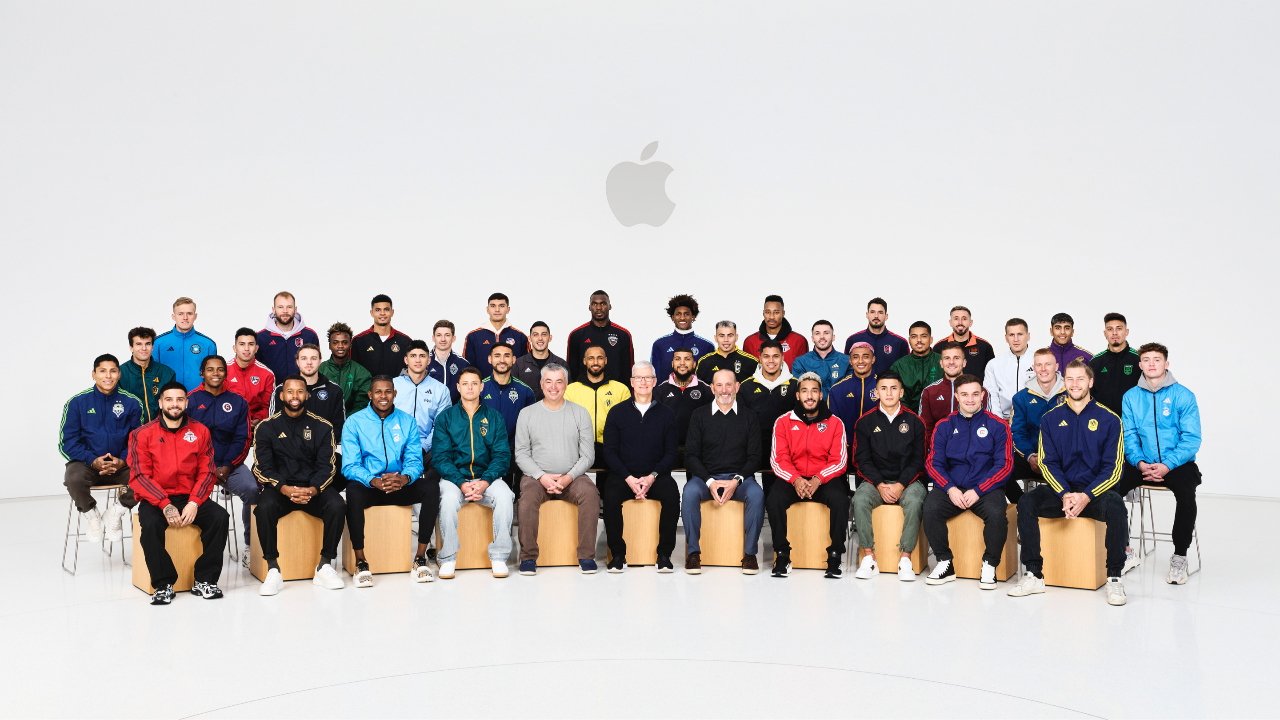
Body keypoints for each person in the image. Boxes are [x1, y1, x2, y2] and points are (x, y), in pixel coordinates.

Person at [1009, 360, 1129, 605]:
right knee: (1028, 501)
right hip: (1061, 493)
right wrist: (1064, 493)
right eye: (1070, 379)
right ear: (1065, 383)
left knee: (1116, 506)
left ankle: (1114, 577)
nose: (1075, 384)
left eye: (1080, 379)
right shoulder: (1050, 419)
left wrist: (1085, 496)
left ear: (1090, 382)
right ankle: (1034, 574)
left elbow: (1114, 469)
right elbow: (1047, 462)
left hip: (1093, 495)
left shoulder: (1109, 419)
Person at [127, 382, 229, 604]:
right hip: (156, 498)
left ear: (186, 402)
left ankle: (205, 579)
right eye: (170, 399)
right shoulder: (141, 434)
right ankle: (163, 584)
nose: (175, 404)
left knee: (220, 518)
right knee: (151, 525)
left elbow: (207, 472)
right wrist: (164, 503)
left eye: (180, 399)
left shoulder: (200, 431)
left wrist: (194, 502)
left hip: (190, 496)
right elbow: (139, 476)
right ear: (161, 402)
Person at [1116, 343, 1202, 585]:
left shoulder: (1183, 395)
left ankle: (1179, 557)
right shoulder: (1131, 397)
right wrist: (1140, 463)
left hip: (1177, 463)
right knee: (1111, 491)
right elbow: (1129, 434)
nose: (1151, 363)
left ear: (1167, 363)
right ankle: (1124, 550)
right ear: (1140, 364)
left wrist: (1167, 465)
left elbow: (1191, 439)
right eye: (1146, 359)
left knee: (1186, 494)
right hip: (1141, 461)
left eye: (1157, 359)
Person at [252, 376, 346, 596]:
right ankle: (273, 569)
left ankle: (324, 565)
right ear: (282, 395)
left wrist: (313, 490)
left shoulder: (323, 427)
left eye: (300, 391)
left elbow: (328, 467)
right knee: (263, 509)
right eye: (290, 392)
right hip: (280, 490)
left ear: (308, 395)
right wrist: (284, 488)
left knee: (337, 505)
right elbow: (261, 467)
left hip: (312, 489)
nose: (295, 396)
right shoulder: (266, 427)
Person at [341, 376, 437, 587]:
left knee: (430, 488)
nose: (383, 396)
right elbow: (349, 465)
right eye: (378, 392)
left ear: (395, 394)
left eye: (387, 392)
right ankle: (361, 561)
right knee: (352, 491)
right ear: (370, 394)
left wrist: (405, 478)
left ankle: (420, 558)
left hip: (398, 484)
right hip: (371, 486)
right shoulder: (354, 422)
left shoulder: (407, 421)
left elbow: (414, 459)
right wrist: (372, 480)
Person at [922, 374, 1013, 589]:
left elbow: (1005, 465)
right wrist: (950, 488)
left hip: (985, 488)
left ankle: (990, 564)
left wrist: (979, 490)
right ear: (957, 396)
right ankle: (944, 562)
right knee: (930, 508)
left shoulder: (998, 425)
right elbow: (933, 463)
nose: (970, 399)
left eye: (975, 394)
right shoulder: (944, 425)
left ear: (982, 395)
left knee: (996, 514)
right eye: (964, 394)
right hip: (952, 487)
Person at [514, 364, 601, 575]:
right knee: (526, 500)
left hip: (573, 476)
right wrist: (542, 477)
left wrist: (567, 478)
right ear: (541, 384)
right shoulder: (527, 414)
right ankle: (528, 557)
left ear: (566, 384)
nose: (554, 387)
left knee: (591, 494)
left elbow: (588, 455)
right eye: (549, 381)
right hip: (537, 477)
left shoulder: (580, 413)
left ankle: (586, 555)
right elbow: (521, 453)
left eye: (559, 381)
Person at [432, 367, 516, 579]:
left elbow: (502, 455)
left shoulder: (494, 417)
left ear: (481, 386)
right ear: (458, 387)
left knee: (505, 496)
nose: (470, 387)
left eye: (474, 383)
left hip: (487, 477)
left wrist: (485, 481)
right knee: (449, 500)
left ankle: (499, 556)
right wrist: (461, 482)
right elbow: (441, 457)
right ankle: (448, 558)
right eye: (465, 383)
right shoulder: (446, 418)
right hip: (455, 478)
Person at [765, 372, 850, 578]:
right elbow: (778, 459)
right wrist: (796, 480)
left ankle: (835, 555)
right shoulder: (783, 422)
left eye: (814, 391)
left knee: (840, 499)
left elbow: (839, 460)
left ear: (821, 395)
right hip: (793, 478)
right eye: (804, 391)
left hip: (824, 479)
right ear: (797, 395)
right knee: (774, 499)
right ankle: (782, 554)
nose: (809, 396)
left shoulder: (835, 422)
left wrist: (818, 479)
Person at [681, 369, 765, 575]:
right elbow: (691, 455)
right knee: (689, 493)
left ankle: (750, 554)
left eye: (729, 385)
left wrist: (736, 480)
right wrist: (710, 481)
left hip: (740, 479)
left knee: (757, 494)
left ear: (737, 387)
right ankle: (693, 553)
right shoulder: (699, 415)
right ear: (712, 388)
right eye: (719, 385)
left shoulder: (750, 416)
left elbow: (755, 456)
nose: (724, 390)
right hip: (706, 479)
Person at [600, 361, 680, 573]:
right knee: (610, 496)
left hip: (656, 475)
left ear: (654, 381)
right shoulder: (617, 412)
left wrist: (652, 476)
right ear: (631, 382)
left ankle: (664, 554)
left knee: (672, 495)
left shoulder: (667, 414)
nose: (643, 382)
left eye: (647, 378)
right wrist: (628, 478)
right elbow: (609, 451)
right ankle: (618, 554)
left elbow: (671, 453)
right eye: (638, 378)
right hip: (624, 475)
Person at [850, 372, 928, 581]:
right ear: (876, 393)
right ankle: (869, 557)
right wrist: (880, 485)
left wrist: (901, 484)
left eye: (894, 388)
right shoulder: (864, 422)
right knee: (859, 499)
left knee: (914, 501)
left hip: (908, 482)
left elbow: (919, 460)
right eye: (883, 388)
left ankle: (905, 558)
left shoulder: (915, 421)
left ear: (901, 392)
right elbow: (861, 460)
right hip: (876, 482)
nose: (889, 393)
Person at [59, 354, 142, 543]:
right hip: (87, 463)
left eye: (113, 371)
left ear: (119, 374)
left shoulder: (132, 403)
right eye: (102, 371)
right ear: (93, 374)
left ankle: (116, 511)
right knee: (73, 478)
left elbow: (138, 441)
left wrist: (122, 460)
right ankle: (92, 515)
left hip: (121, 464)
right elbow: (67, 442)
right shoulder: (77, 403)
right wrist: (92, 460)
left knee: (148, 477)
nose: (108, 376)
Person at [187, 356, 253, 548]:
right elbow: (185, 439)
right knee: (182, 492)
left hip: (229, 465)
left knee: (251, 489)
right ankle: (194, 547)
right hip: (196, 467)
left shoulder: (238, 402)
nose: (215, 373)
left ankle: (251, 547)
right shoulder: (190, 400)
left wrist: (228, 465)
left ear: (226, 373)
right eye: (210, 369)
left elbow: (243, 438)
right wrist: (207, 467)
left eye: (220, 369)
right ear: (202, 373)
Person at [564, 346, 631, 490]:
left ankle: (608, 506)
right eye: (591, 358)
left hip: (610, 447)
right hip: (579, 448)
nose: (595, 362)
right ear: (584, 361)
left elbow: (627, 424)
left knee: (614, 483)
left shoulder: (621, 389)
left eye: (600, 358)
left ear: (606, 361)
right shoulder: (571, 390)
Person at [737, 340, 797, 498]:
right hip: (755, 448)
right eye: (766, 356)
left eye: (776, 356)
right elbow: (740, 423)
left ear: (783, 357)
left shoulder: (795, 385)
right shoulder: (746, 387)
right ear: (760, 358)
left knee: (777, 494)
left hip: (787, 449)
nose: (771, 361)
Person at [392, 341, 451, 488]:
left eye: (422, 356)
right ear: (406, 360)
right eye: (413, 356)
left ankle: (427, 493)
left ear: (429, 360)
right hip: (394, 445)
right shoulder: (392, 385)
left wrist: (423, 447)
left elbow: (441, 426)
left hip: (426, 448)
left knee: (443, 460)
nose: (418, 360)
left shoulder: (441, 390)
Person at [481, 343, 536, 491]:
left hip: (515, 452)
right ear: (489, 359)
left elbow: (532, 427)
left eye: (506, 356)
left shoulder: (525, 391)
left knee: (516, 494)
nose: (502, 360)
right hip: (484, 452)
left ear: (513, 359)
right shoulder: (479, 388)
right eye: (497, 356)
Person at [1009, 349, 1065, 491]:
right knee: (999, 471)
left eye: (1048, 364)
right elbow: (1017, 432)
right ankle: (1023, 505)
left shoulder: (1071, 393)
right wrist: (1030, 456)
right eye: (1039, 365)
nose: (1043, 369)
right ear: (1034, 368)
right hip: (1033, 458)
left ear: (1057, 367)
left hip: (1064, 460)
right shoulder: (1021, 398)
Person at [271, 344, 347, 447]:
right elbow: (274, 425)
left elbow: (339, 428)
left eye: (314, 358)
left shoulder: (334, 390)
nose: (309, 362)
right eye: (304, 358)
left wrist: (320, 446)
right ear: (297, 362)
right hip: (289, 451)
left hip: (322, 450)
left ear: (320, 361)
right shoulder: (282, 389)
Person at [654, 348, 713, 467]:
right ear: (672, 363)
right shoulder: (659, 391)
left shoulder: (706, 390)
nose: (682, 363)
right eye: (677, 359)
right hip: (668, 450)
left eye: (687, 359)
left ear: (694, 364)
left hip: (698, 451)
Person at [918, 342, 988, 438]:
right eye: (947, 358)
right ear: (941, 363)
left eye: (956, 358)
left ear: (964, 363)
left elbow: (988, 424)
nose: (951, 362)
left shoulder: (980, 391)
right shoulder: (929, 392)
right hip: (940, 449)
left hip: (973, 449)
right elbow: (925, 429)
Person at [566, 290, 635, 383]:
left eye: (603, 304)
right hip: (584, 393)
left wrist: (628, 395)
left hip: (616, 394)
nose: (598, 307)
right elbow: (570, 371)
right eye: (594, 304)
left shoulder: (623, 335)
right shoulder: (576, 335)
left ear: (610, 306)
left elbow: (629, 369)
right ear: (589, 307)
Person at [255, 291, 320, 381]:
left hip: (302, 392)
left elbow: (315, 366)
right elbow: (255, 369)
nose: (285, 311)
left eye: (289, 307)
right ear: (273, 310)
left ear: (295, 309)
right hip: (271, 392)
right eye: (280, 307)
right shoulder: (261, 338)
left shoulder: (309, 335)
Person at [154, 297, 216, 391]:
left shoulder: (208, 344)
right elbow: (152, 374)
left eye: (189, 313)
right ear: (173, 316)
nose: (185, 318)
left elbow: (213, 377)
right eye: (180, 314)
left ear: (195, 316)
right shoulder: (158, 343)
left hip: (199, 400)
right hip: (169, 400)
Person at [650, 294, 715, 381]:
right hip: (665, 394)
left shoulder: (707, 346)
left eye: (686, 314)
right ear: (673, 317)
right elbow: (653, 376)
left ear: (693, 317)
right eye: (678, 314)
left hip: (697, 394)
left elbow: (711, 378)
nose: (682, 317)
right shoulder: (660, 344)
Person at [828, 342, 878, 454]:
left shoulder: (884, 386)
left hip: (878, 451)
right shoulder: (837, 390)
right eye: (855, 357)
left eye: (866, 356)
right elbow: (832, 424)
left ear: (873, 359)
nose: (860, 361)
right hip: (846, 451)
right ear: (850, 361)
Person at [464, 292, 528, 378]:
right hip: (482, 389)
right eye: (493, 306)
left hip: (512, 389)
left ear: (508, 309)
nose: (497, 310)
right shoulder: (473, 336)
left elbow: (525, 368)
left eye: (501, 306)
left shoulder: (520, 337)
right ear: (487, 309)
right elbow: (467, 368)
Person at [119, 326, 176, 424]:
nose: (144, 348)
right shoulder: (120, 373)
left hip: (160, 431)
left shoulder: (167, 373)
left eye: (148, 344)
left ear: (153, 347)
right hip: (130, 432)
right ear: (131, 347)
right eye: (139, 344)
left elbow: (171, 405)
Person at [983, 318, 1035, 421]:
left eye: (1020, 334)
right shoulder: (994, 364)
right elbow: (991, 395)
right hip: (1004, 419)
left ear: (1028, 336)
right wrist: (998, 422)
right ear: (1006, 338)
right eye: (1011, 335)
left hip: (1033, 420)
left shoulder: (1039, 361)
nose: (1016, 339)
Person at [1088, 313, 1140, 414]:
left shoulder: (1138, 359)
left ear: (1126, 332)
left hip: (1131, 421)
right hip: (1103, 421)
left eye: (1119, 328)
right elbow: (1088, 394)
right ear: (1105, 333)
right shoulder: (1095, 362)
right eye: (1110, 329)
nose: (1114, 333)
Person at [844, 297, 910, 376]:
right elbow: (848, 369)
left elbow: (906, 371)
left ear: (886, 316)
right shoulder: (853, 340)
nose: (876, 316)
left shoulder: (900, 342)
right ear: (867, 315)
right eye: (872, 312)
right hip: (861, 387)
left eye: (880, 312)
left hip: (888, 387)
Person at [225, 327, 276, 429]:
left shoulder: (267, 374)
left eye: (251, 344)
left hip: (256, 427)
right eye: (242, 344)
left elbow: (268, 406)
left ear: (256, 348)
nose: (247, 348)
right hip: (228, 425)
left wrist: (258, 419)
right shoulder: (223, 371)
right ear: (234, 348)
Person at [352, 294, 413, 379]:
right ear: (371, 313)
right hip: (367, 392)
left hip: (397, 392)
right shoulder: (358, 341)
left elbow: (411, 371)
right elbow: (352, 372)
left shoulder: (406, 341)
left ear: (392, 312)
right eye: (378, 310)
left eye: (386, 309)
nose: (382, 313)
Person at [741, 294, 808, 367]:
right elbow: (747, 373)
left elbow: (803, 373)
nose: (771, 317)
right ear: (763, 313)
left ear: (783, 313)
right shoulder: (750, 342)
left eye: (776, 312)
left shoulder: (799, 341)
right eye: (768, 312)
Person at [320, 321, 372, 415]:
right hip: (322, 424)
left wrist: (346, 421)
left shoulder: (362, 373)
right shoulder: (320, 370)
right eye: (335, 342)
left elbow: (362, 404)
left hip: (351, 424)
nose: (340, 346)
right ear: (329, 346)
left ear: (350, 345)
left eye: (344, 342)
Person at [931, 306, 996, 381]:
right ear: (950, 323)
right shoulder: (939, 347)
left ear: (970, 322)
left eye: (964, 318)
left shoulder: (985, 346)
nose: (960, 322)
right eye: (956, 318)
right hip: (948, 392)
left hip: (976, 392)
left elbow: (992, 376)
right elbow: (934, 375)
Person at [890, 321, 942, 411]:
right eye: (914, 337)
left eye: (924, 336)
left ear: (931, 339)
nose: (919, 340)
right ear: (909, 340)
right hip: (907, 418)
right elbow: (894, 396)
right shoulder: (899, 366)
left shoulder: (943, 362)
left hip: (939, 417)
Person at [790, 320, 850, 396]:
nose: (822, 337)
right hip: (812, 407)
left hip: (840, 407)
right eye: (817, 333)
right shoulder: (800, 362)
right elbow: (801, 391)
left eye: (826, 333)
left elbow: (850, 390)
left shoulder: (847, 361)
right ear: (812, 338)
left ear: (833, 337)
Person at [514, 321, 567, 399]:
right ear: (529, 338)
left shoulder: (561, 364)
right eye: (535, 335)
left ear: (550, 338)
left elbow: (567, 392)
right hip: (526, 410)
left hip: (554, 410)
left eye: (544, 334)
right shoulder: (519, 364)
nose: (540, 338)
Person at [427, 319, 471, 404]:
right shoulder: (423, 361)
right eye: (439, 335)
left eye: (447, 335)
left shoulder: (463, 364)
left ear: (453, 338)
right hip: (427, 413)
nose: (443, 339)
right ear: (433, 338)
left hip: (453, 413)